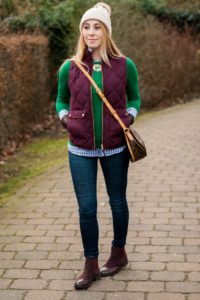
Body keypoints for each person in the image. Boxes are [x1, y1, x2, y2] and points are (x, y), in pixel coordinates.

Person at [56, 2, 141, 290]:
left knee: (118, 202)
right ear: (81, 31)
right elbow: (60, 100)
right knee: (87, 208)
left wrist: (129, 116)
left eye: (97, 27)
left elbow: (135, 98)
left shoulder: (124, 64)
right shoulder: (69, 67)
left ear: (106, 31)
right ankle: (90, 264)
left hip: (116, 147)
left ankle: (118, 253)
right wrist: (66, 119)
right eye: (86, 27)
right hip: (80, 148)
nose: (91, 32)